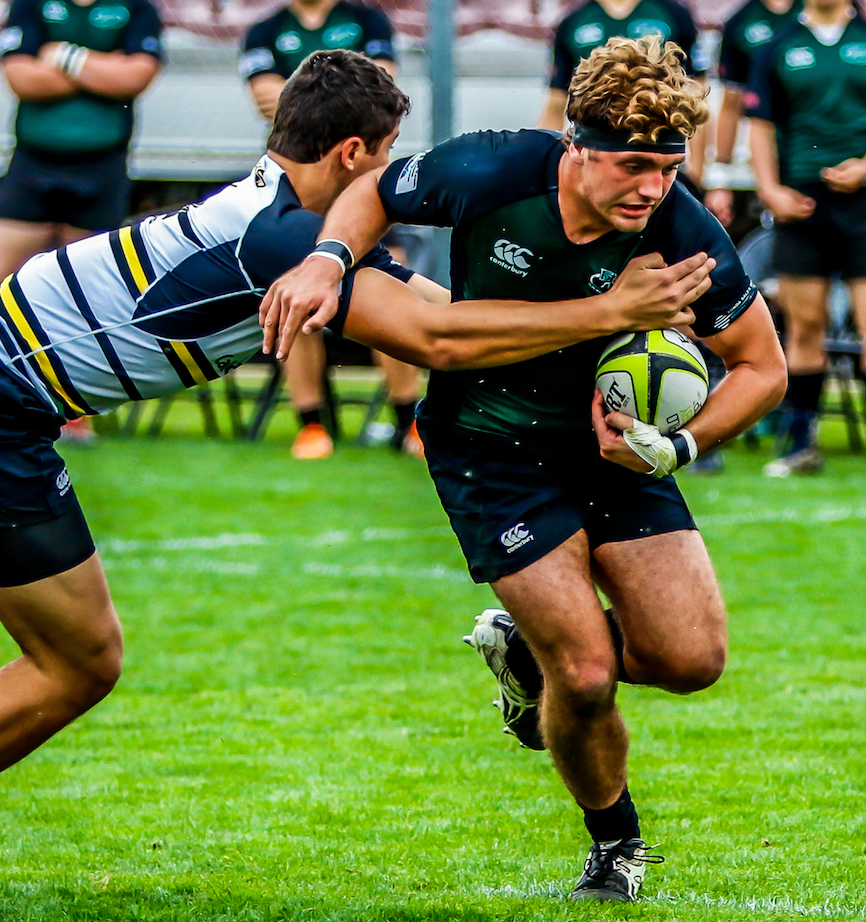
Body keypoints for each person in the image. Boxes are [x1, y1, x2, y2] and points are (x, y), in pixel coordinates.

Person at [0, 50, 712, 776]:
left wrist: (611, 340)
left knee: (79, 658)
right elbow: (436, 340)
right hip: (4, 414)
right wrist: (609, 311)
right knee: (77, 663)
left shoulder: (282, 220)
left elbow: (442, 307)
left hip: (16, 420)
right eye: (384, 159)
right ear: (351, 154)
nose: (387, 177)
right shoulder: (280, 236)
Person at [261, 36, 785, 902]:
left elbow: (765, 368)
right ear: (575, 148)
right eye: (630, 167)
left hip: (616, 456)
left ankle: (523, 657)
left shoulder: (684, 228)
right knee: (584, 675)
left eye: (668, 167)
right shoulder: (493, 168)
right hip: (491, 452)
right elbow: (368, 194)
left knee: (693, 659)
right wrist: (329, 256)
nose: (652, 188)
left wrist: (679, 447)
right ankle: (616, 845)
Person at [745, 0, 866, 480]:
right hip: (801, 204)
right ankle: (800, 443)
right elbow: (761, 127)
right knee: (805, 327)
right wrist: (771, 190)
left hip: (865, 203)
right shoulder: (778, 46)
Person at [242, 0, 426, 460]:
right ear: (353, 149)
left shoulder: (367, 19)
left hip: (345, 192)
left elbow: (377, 97)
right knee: (298, 291)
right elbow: (270, 101)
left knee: (390, 281)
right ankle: (311, 424)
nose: (388, 159)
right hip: (305, 192)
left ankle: (411, 423)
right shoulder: (265, 28)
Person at [0, 0, 164, 445]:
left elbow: (134, 78)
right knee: (4, 282)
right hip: (31, 164)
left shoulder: (135, 8)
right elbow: (21, 78)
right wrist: (100, 70)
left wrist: (65, 57)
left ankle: (73, 411)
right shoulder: (31, 5)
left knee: (85, 296)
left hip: (102, 168)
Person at [538, 0, 708, 187]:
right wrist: (541, 168)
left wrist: (697, 175)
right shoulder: (573, 21)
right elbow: (556, 103)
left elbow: (696, 99)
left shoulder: (673, 14)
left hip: (657, 149)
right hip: (599, 153)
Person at [704, 0, 801, 227]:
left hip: (821, 154)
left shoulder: (818, 19)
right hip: (770, 155)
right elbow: (732, 105)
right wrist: (720, 180)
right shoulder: (740, 22)